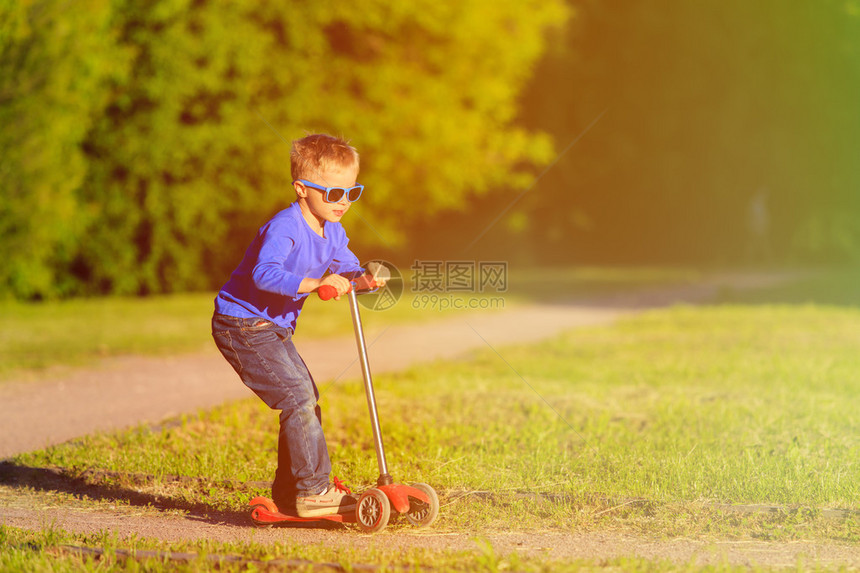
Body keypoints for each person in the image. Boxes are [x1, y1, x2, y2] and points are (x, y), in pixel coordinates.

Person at [211, 133, 378, 517]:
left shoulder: (333, 232)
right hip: (241, 325)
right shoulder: (284, 227)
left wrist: (364, 279)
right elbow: (264, 275)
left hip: (272, 329)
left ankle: (291, 492)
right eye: (333, 194)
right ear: (302, 189)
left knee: (305, 398)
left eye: (351, 194)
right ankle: (314, 489)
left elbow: (347, 267)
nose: (343, 203)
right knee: (297, 397)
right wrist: (316, 284)